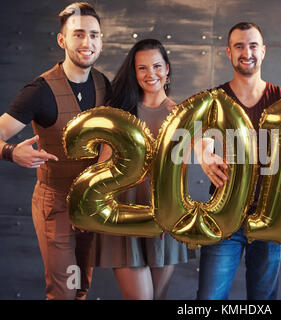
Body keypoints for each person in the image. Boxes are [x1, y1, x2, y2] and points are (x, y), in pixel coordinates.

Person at [0, 3, 110, 299]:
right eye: (78, 35)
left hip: (90, 203)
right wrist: (10, 152)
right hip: (56, 204)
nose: (87, 43)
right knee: (64, 290)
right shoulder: (39, 90)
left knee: (81, 287)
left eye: (94, 35)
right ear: (62, 40)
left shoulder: (103, 84)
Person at [92, 39, 194, 300]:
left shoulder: (182, 115)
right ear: (134, 73)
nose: (151, 74)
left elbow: (180, 172)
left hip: (163, 219)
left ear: (168, 69)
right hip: (124, 217)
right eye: (142, 68)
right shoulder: (119, 112)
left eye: (157, 66)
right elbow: (103, 166)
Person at [194, 22, 281, 300]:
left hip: (269, 218)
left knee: (263, 301)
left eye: (253, 45)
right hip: (224, 217)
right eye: (239, 46)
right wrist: (203, 153)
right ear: (228, 52)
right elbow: (198, 136)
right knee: (208, 299)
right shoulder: (214, 99)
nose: (247, 52)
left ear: (264, 51)